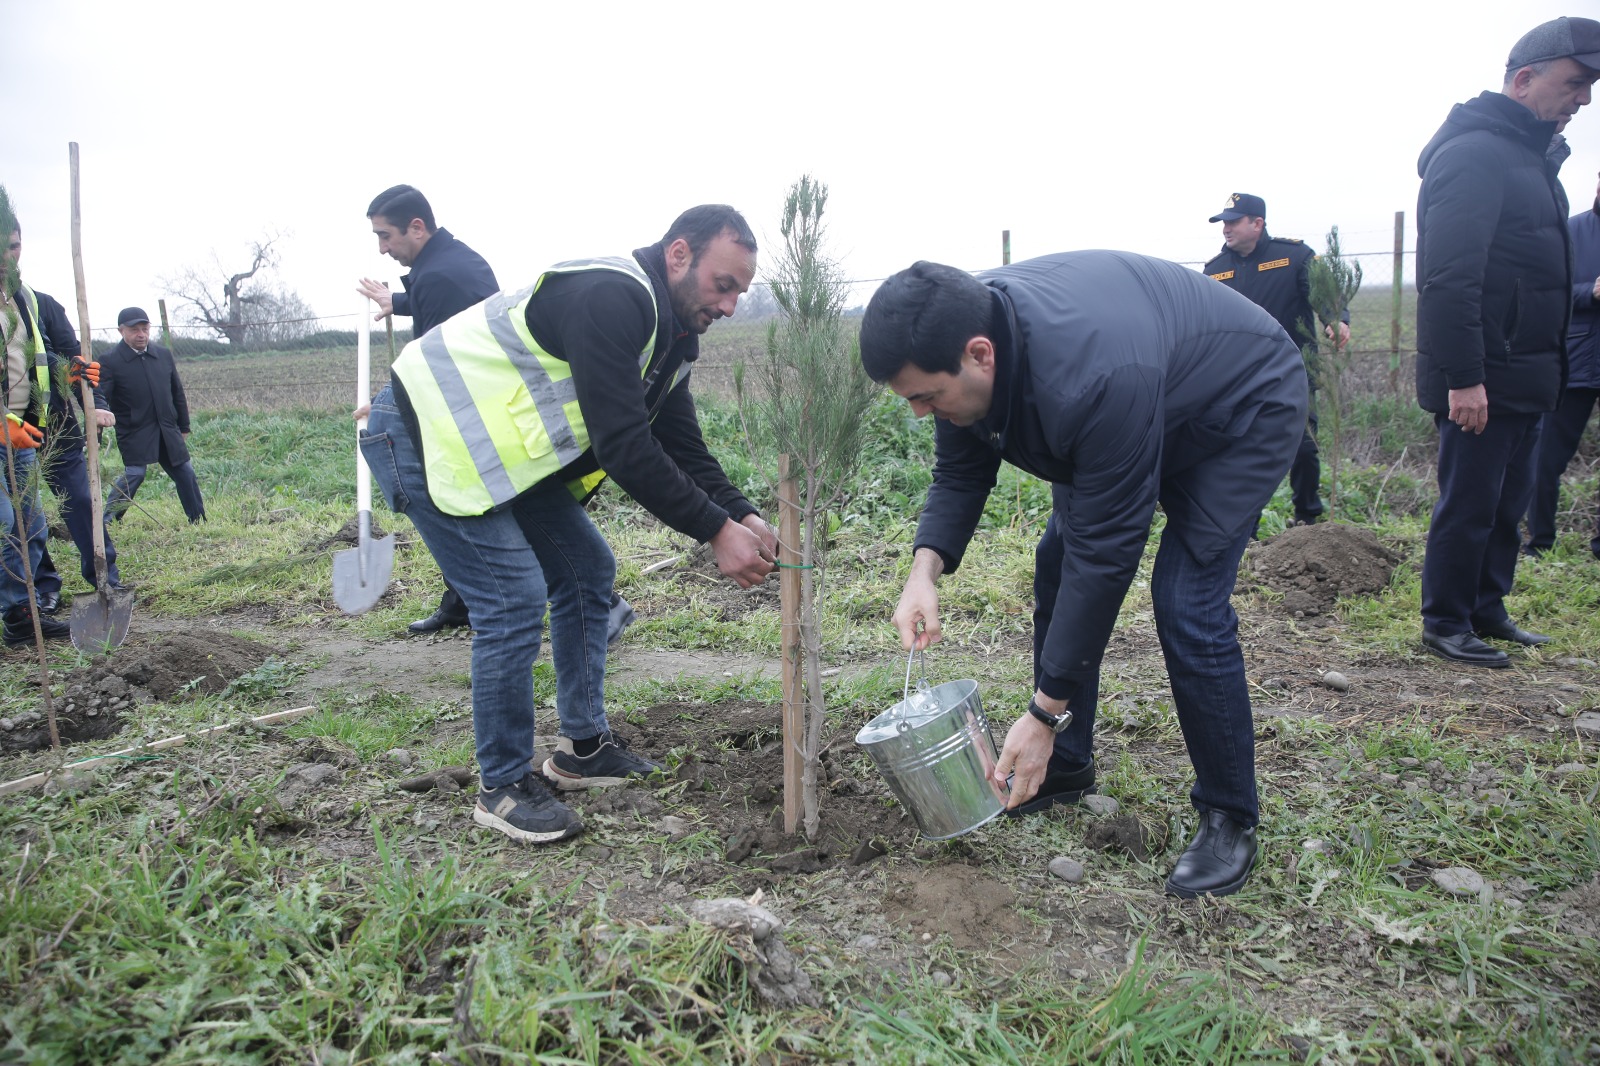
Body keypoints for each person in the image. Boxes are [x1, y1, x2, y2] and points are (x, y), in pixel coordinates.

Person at [860, 252, 1306, 899]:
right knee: (1056, 560)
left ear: (980, 355)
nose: (921, 414)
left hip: (1241, 406)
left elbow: (1106, 559)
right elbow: (961, 473)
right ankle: (1069, 765)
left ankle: (1228, 815)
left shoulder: (1091, 377)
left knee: (1186, 598)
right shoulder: (962, 345)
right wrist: (923, 570)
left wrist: (1042, 713)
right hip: (1150, 398)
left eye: (926, 397)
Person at [359, 204, 776, 845]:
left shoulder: (673, 335)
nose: (729, 305)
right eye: (725, 285)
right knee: (510, 598)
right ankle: (500, 786)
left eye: (740, 293)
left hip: (492, 456)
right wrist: (715, 533)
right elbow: (624, 445)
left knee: (586, 570)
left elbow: (678, 440)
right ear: (679, 255)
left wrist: (740, 511)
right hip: (421, 432)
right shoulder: (611, 297)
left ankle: (582, 749)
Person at [1415, 16, 1600, 667]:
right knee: (1468, 503)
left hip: (1525, 374)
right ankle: (1445, 620)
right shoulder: (1474, 154)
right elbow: (1449, 278)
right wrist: (1463, 377)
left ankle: (1486, 607)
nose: (1583, 100)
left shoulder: (1531, 158)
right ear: (1525, 79)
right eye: (1575, 83)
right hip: (1482, 375)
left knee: (1506, 503)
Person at [358, 185, 500, 636]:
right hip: (478, 406)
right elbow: (450, 312)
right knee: (463, 506)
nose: (382, 248)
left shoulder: (440, 276)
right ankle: (460, 601)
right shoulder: (454, 261)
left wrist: (387, 403)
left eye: (386, 236)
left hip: (465, 413)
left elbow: (434, 363)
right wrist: (395, 302)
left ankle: (596, 599)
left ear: (416, 227)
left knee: (450, 506)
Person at [1204, 193, 1350, 526]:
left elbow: (1324, 292)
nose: (1226, 229)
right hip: (1239, 378)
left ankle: (1307, 517)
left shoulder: (1293, 256)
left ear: (1258, 223)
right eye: (1223, 222)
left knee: (1302, 448)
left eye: (1233, 221)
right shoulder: (1215, 270)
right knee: (1240, 450)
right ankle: (1244, 523)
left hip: (1293, 370)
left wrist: (1335, 319)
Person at [4, 221, 121, 613]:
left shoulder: (39, 304)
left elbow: (76, 362)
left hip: (54, 427)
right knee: (25, 517)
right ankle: (42, 588)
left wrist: (97, 401)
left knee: (81, 500)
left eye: (15, 245)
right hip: (7, 431)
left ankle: (106, 578)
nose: (10, 254)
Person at [0, 223, 74, 646]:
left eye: (15, 246)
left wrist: (70, 374)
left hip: (22, 435)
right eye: (2, 248)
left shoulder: (24, 298)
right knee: (5, 523)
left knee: (31, 526)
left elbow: (39, 354)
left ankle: (19, 617)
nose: (10, 256)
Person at [1525, 168, 1600, 559]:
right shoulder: (1571, 231)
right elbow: (1547, 290)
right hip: (1578, 361)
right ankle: (1540, 543)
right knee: (1546, 457)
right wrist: (1591, 291)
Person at [97, 307, 207, 524]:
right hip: (134, 429)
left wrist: (183, 426)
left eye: (145, 329)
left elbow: (177, 392)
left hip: (167, 428)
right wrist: (97, 421)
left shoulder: (163, 355)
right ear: (122, 331)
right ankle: (108, 520)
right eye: (135, 330)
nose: (141, 334)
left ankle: (197, 519)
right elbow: (101, 396)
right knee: (135, 474)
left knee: (185, 471)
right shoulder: (110, 361)